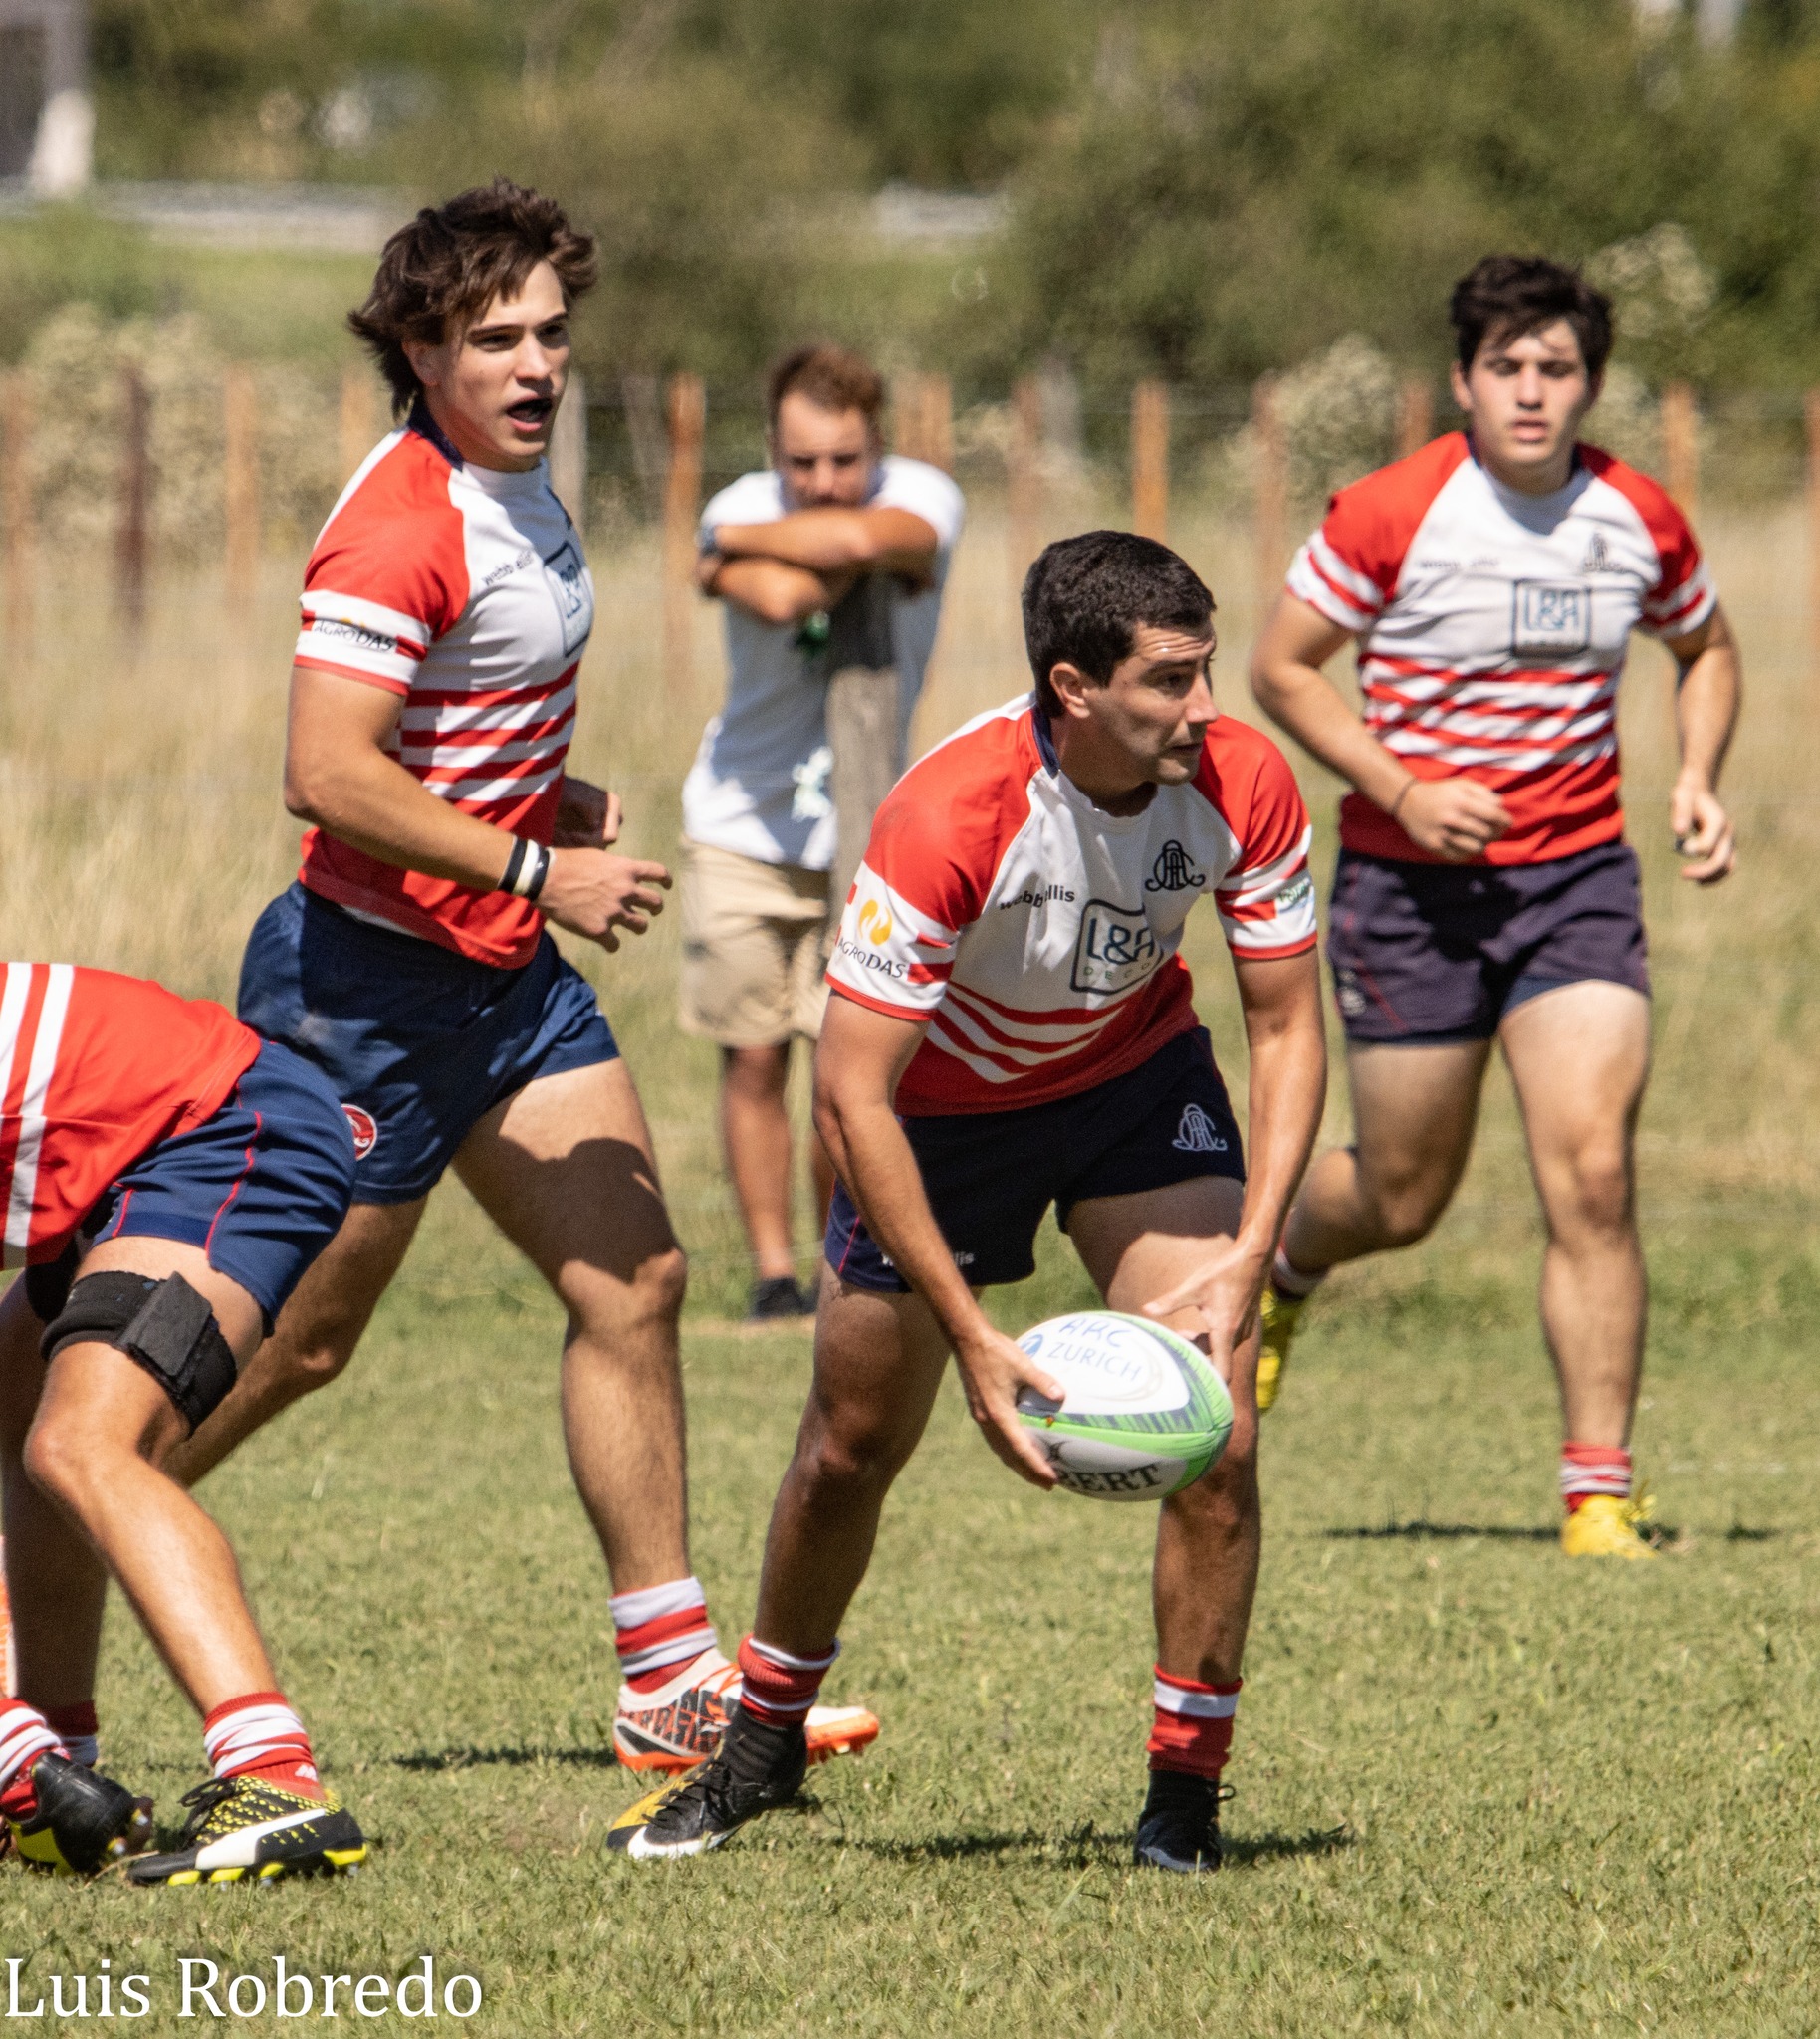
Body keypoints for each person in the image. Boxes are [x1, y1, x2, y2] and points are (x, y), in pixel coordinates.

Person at [128, 181, 871, 1775]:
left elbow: (447, 730)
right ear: (420, 346)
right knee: (301, 1345)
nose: (536, 365)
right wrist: (539, 863)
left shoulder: (521, 484)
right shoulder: (400, 522)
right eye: (496, 338)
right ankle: (74, 1503)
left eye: (550, 333)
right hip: (360, 998)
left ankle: (668, 1687)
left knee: (638, 1284)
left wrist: (541, 801)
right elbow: (325, 771)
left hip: (506, 984)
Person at [610, 532, 1326, 1873]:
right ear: (1074, 685)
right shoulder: (954, 815)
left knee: (1215, 1434)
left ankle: (1184, 1795)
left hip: (1132, 1084)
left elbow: (1286, 1028)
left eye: (1208, 671)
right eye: (1170, 681)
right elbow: (855, 1091)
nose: (1207, 708)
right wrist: (972, 1337)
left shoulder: (1242, 780)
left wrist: (1251, 1258)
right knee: (851, 1444)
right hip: (936, 1122)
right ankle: (761, 1742)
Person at [1249, 256, 1740, 1560]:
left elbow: (1705, 647)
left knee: (1591, 1170)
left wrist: (1696, 775)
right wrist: (1399, 788)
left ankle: (1597, 1495)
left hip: (1576, 884)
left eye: (1559, 369)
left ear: (1589, 383)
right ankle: (1288, 1262)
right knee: (1404, 1195)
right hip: (1413, 896)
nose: (1534, 393)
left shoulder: (1638, 514)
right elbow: (1282, 669)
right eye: (1508, 368)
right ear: (1463, 380)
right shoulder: (1392, 511)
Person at [0, 961, 364, 1883]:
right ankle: (61, 1778)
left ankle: (274, 1779)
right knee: (18, 1419)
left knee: (83, 1440)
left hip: (223, 1128)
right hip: (133, 1157)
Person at [682, 344, 964, 1319]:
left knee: (846, 1067)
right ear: (773, 447)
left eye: (846, 460)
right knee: (754, 1055)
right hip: (740, 820)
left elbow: (864, 548)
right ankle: (772, 1275)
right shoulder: (734, 501)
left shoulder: (924, 494)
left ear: (879, 443)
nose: (823, 481)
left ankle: (839, 1259)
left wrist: (725, 559)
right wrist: (747, 561)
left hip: (871, 826)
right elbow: (788, 597)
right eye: (802, 463)